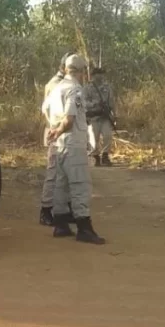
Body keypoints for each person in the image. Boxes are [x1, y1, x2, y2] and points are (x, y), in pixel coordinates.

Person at [46, 54, 106, 244]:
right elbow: (70, 119)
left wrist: (54, 130)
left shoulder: (56, 88)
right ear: (82, 71)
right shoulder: (75, 90)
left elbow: (45, 109)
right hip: (73, 142)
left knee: (61, 184)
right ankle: (83, 227)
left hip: (60, 144)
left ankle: (61, 224)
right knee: (80, 184)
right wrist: (60, 130)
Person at [39, 54, 69, 226]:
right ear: (64, 67)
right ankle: (46, 209)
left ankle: (63, 209)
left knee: (65, 174)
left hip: (63, 133)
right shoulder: (55, 84)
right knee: (53, 173)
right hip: (56, 132)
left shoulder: (63, 83)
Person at [84, 67, 115, 166]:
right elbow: (84, 102)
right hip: (93, 116)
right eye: (98, 74)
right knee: (94, 138)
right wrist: (95, 104)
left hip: (105, 117)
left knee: (107, 136)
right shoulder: (87, 88)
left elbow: (111, 101)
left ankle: (105, 155)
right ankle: (95, 156)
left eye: (101, 74)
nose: (100, 76)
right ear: (93, 75)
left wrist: (114, 114)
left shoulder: (107, 87)